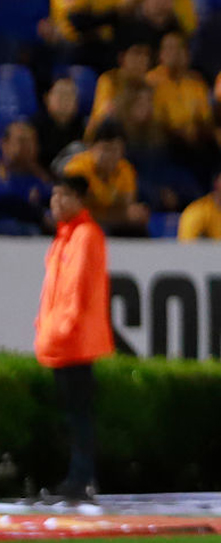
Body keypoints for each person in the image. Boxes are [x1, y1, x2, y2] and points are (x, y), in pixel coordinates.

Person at [34, 175, 114, 503]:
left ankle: (81, 479)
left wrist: (62, 330)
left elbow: (77, 291)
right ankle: (77, 477)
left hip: (75, 342)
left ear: (80, 200)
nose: (56, 202)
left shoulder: (85, 235)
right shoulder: (63, 238)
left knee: (79, 415)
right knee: (72, 414)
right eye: (54, 195)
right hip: (62, 340)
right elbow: (51, 293)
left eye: (64, 196)